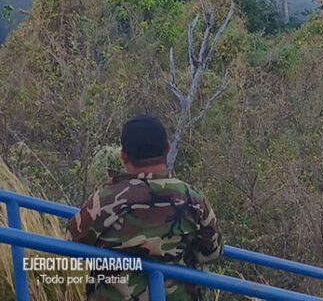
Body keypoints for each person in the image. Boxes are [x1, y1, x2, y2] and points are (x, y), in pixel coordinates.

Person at [67, 115, 223, 301]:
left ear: (124, 155)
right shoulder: (193, 198)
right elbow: (212, 252)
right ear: (167, 148)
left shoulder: (106, 199)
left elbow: (71, 245)